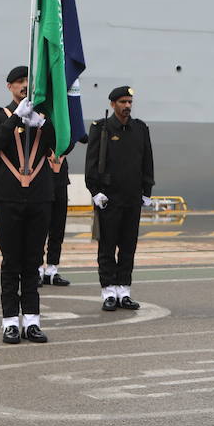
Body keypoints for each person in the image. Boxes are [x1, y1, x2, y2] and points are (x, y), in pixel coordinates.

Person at [0, 66, 57, 343]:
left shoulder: (45, 115)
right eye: (19, 82)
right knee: (11, 261)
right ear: (9, 87)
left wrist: (41, 122)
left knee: (33, 260)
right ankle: (10, 322)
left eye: (28, 81)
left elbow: (62, 145)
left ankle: (32, 320)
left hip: (39, 195)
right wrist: (16, 118)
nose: (24, 86)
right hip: (8, 196)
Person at [85, 85, 155, 311]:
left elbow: (147, 161)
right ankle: (108, 291)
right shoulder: (101, 128)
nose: (127, 106)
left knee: (128, 247)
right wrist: (95, 192)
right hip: (109, 199)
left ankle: (124, 290)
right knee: (106, 247)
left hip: (132, 198)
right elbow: (92, 163)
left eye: (129, 102)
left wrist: (147, 191)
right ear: (112, 104)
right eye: (122, 102)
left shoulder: (140, 129)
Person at [39, 142, 73, 287]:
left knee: (58, 226)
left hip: (60, 178)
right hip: (40, 176)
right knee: (39, 228)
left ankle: (52, 269)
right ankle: (37, 268)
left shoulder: (64, 120)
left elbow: (79, 136)